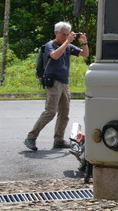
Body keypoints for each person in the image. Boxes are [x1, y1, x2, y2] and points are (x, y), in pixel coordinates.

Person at [24, 22, 89, 151]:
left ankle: (58, 140)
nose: (65, 37)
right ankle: (31, 137)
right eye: (63, 35)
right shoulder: (50, 45)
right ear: (56, 33)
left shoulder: (68, 45)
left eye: (67, 35)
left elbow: (84, 54)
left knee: (64, 113)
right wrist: (68, 42)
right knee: (50, 112)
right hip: (53, 82)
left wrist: (84, 42)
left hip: (65, 82)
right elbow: (55, 55)